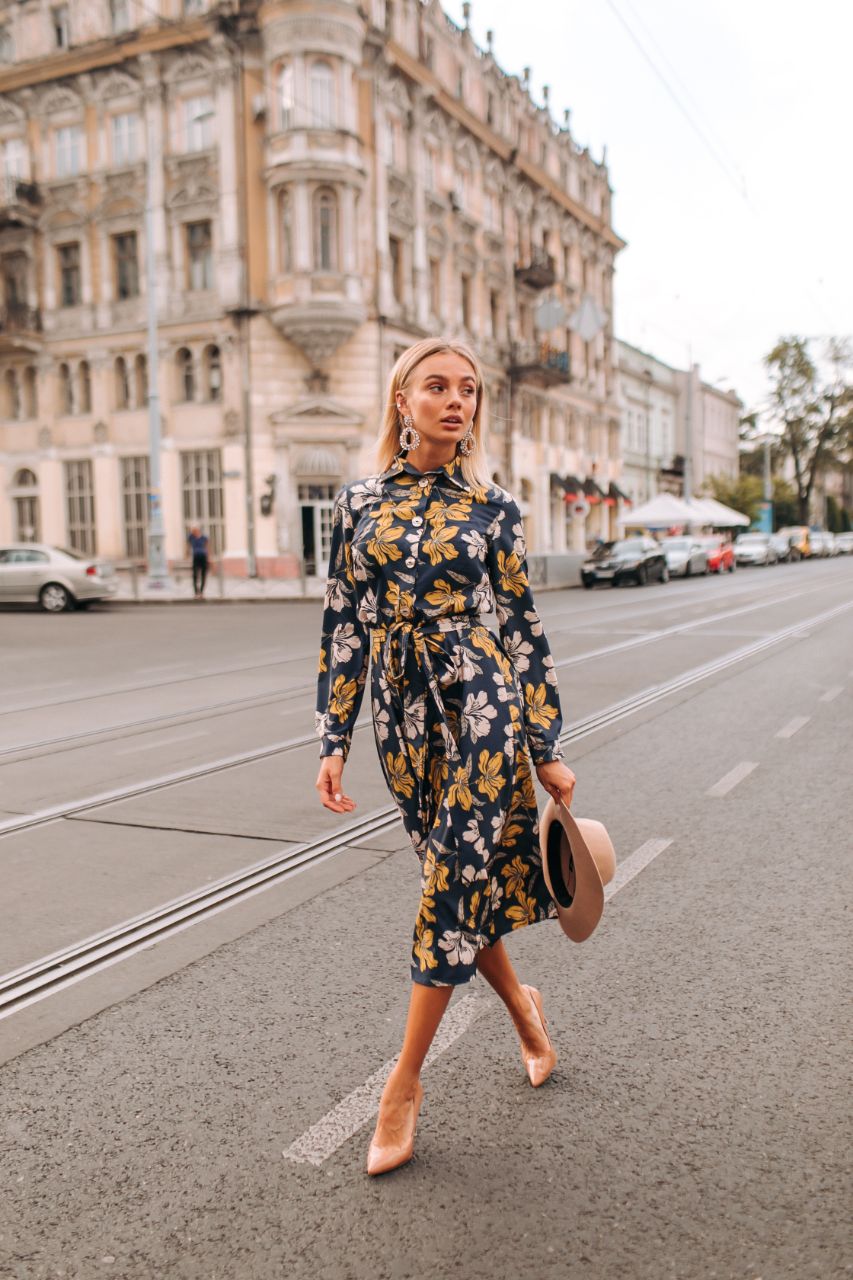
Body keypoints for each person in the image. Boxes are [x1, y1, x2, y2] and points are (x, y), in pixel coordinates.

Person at [314, 337, 576, 1176]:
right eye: (437, 387)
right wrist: (333, 737)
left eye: (467, 390)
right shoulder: (356, 503)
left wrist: (543, 745)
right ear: (402, 401)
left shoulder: (493, 506)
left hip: (481, 700)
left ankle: (403, 1084)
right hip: (401, 713)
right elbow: (344, 622)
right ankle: (526, 1016)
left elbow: (522, 627)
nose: (455, 401)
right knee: (452, 880)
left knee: (452, 882)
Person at [187, 526, 209, 598]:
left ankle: (201, 592)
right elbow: (188, 545)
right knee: (195, 575)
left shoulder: (204, 538)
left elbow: (207, 547)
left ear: (199, 530)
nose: (195, 532)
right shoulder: (191, 537)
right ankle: (196, 592)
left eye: (196, 530)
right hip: (196, 557)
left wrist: (209, 558)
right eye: (194, 531)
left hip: (203, 557)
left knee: (203, 575)